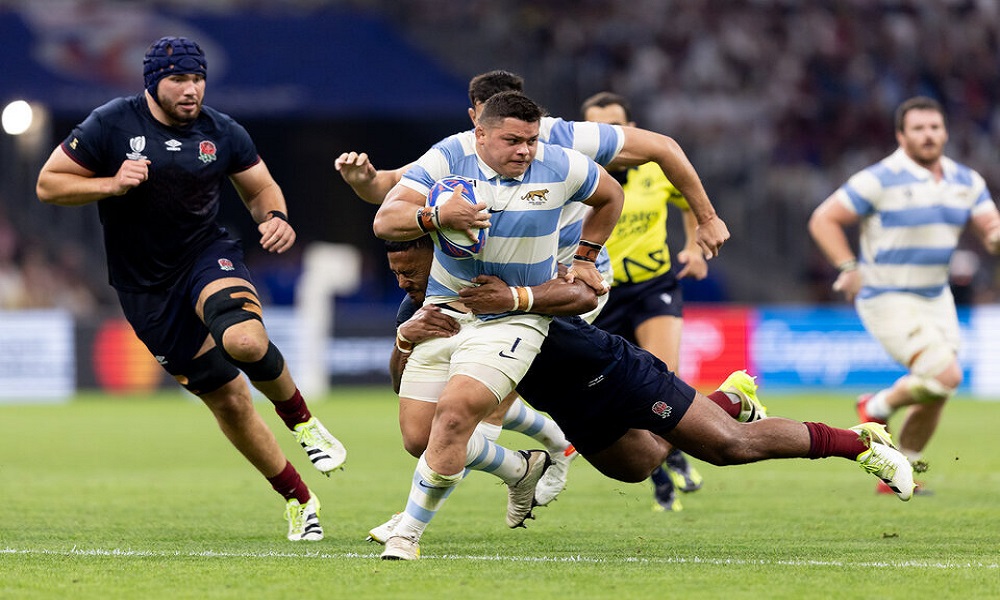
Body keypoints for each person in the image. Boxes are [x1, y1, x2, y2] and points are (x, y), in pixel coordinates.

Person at [365, 240, 915, 560]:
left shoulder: (496, 279)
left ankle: (859, 444)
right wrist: (404, 339)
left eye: (407, 267)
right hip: (574, 408)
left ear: (436, 256)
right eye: (392, 271)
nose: (401, 278)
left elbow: (582, 293)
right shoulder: (420, 309)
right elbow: (404, 382)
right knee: (641, 463)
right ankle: (726, 398)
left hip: (615, 372)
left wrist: (532, 292)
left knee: (726, 448)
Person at [337, 69, 732, 506]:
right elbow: (390, 192)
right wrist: (361, 182)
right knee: (436, 403)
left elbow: (661, 147)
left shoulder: (563, 139)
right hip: (470, 280)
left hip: (563, 283)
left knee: (487, 395)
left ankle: (423, 515)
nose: (518, 147)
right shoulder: (460, 150)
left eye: (525, 136)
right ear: (476, 122)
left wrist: (707, 219)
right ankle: (550, 447)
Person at [35, 36, 347, 541]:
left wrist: (276, 218)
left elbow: (261, 187)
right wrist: (110, 184)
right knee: (229, 402)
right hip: (144, 287)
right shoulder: (111, 123)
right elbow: (49, 184)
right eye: (179, 78)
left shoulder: (222, 132)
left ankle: (303, 421)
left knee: (243, 340)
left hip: (205, 255)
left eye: (198, 78)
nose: (192, 89)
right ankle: (298, 497)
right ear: (153, 82)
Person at [371, 91, 624, 560]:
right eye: (512, 140)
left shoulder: (561, 164)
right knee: (420, 441)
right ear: (480, 134)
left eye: (530, 140)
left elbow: (611, 195)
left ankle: (407, 531)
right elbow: (386, 219)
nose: (525, 150)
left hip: (517, 315)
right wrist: (436, 215)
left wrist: (586, 255)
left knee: (456, 414)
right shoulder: (448, 157)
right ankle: (521, 466)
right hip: (449, 309)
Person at [808, 96, 1000, 494]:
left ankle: (899, 474)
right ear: (901, 135)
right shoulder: (879, 178)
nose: (928, 135)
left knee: (937, 391)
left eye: (934, 127)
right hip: (887, 296)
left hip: (936, 296)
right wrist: (848, 267)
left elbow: (990, 228)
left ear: (945, 132)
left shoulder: (966, 181)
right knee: (946, 374)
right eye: (918, 128)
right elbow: (824, 218)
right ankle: (876, 407)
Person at [582, 91, 720, 512]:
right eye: (599, 128)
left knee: (665, 378)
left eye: (619, 125)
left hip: (651, 285)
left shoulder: (656, 170)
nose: (612, 134)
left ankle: (673, 453)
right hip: (598, 297)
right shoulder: (574, 176)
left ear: (634, 129)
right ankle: (662, 470)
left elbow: (689, 203)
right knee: (619, 393)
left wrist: (695, 249)